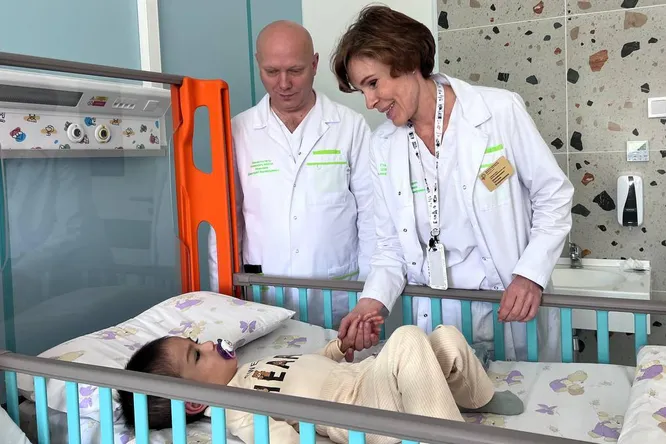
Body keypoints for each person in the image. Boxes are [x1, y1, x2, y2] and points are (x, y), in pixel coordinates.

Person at [330, 5, 574, 363]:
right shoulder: (383, 145)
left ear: (407, 61)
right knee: (442, 394)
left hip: (509, 305)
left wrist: (530, 275)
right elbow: (389, 245)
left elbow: (553, 195)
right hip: (440, 317)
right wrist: (370, 303)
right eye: (362, 90)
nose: (370, 102)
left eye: (373, 83)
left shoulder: (498, 112)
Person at [117, 316, 524, 444]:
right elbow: (275, 437)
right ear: (193, 401)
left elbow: (305, 365)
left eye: (196, 342)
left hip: (365, 376)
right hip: (358, 411)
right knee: (406, 339)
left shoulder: (256, 366)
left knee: (445, 338)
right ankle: (450, 436)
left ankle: (478, 396)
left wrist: (336, 348)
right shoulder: (235, 404)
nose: (208, 344)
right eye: (197, 355)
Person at [208, 20, 376, 327]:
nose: (283, 83)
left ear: (314, 64)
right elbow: (225, 220)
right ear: (258, 63)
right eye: (271, 71)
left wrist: (371, 293)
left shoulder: (350, 127)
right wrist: (222, 297)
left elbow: (372, 214)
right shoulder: (238, 130)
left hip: (338, 293)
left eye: (295, 70)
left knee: (339, 357)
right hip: (263, 295)